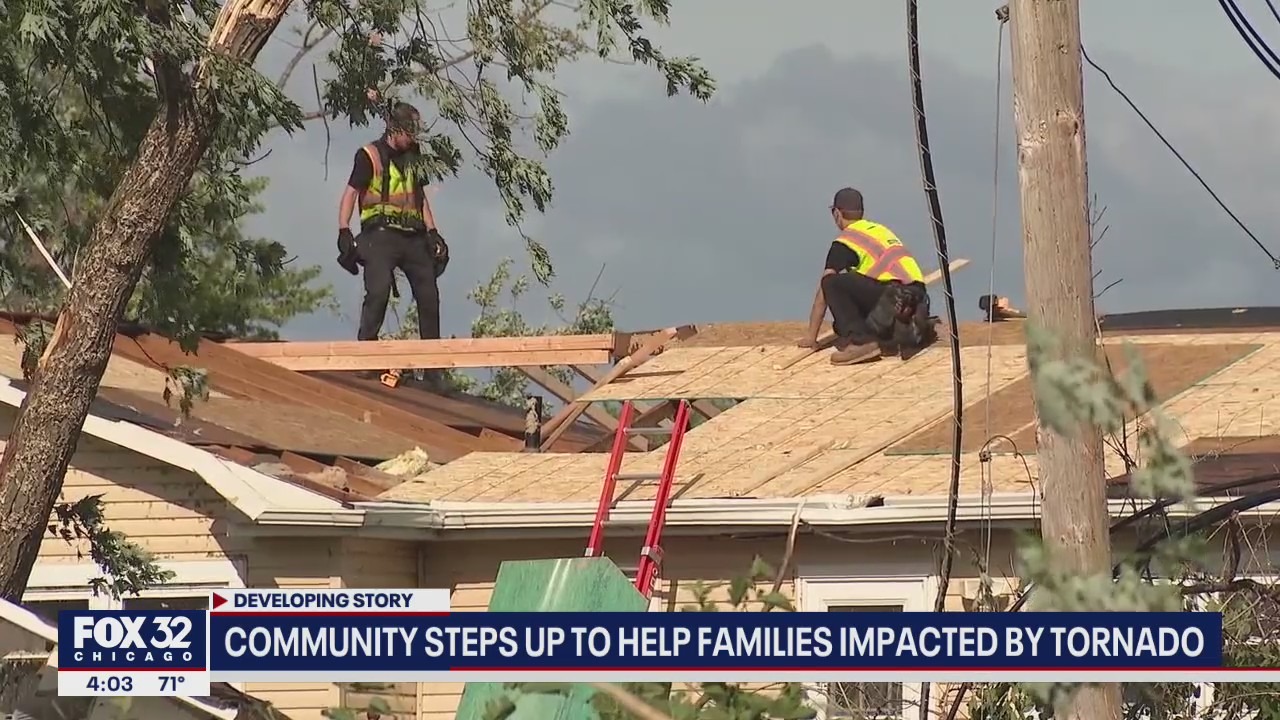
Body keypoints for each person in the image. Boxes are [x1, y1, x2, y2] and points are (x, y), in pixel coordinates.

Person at [336, 102, 450, 352]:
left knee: (429, 296)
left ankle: (433, 364)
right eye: (409, 133)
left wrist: (432, 232)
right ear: (394, 129)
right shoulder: (369, 156)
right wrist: (344, 230)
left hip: (413, 236)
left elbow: (419, 196)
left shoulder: (414, 156)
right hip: (379, 235)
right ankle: (367, 352)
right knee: (379, 291)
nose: (412, 138)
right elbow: (350, 193)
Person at [798, 187, 935, 365]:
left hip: (892, 298)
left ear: (837, 213)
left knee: (832, 283)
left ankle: (860, 342)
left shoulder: (845, 241)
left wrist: (811, 337)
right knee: (841, 324)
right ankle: (897, 334)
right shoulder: (880, 231)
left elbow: (824, 290)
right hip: (917, 301)